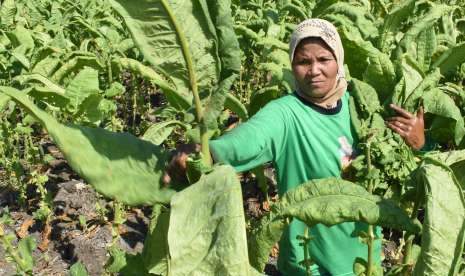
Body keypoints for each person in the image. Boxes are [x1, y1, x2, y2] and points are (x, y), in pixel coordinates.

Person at [165, 19, 424, 276]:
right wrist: (205, 151)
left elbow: (408, 174)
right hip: (307, 264)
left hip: (365, 262)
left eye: (324, 59)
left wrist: (419, 143)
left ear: (339, 60)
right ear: (292, 65)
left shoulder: (362, 106)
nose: (314, 70)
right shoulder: (285, 114)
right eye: (303, 62)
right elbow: (247, 140)